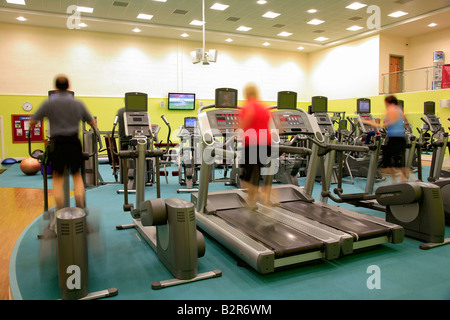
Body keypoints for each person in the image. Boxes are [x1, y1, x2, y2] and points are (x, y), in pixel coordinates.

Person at [30, 75, 97, 211]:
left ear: (55, 87)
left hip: (58, 142)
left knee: (58, 177)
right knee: (77, 175)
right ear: (68, 86)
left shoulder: (49, 103)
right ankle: (80, 207)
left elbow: (33, 121)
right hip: (73, 141)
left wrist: (31, 127)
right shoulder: (77, 103)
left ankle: (60, 210)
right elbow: (92, 122)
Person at [238, 83, 273, 208]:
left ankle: (255, 197)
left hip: (252, 142)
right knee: (257, 171)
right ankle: (261, 197)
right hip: (266, 141)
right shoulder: (263, 107)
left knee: (246, 175)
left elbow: (246, 121)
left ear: (246, 93)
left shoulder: (248, 106)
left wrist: (237, 129)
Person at [362, 95, 409, 182]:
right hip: (401, 137)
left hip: (394, 138)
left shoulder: (390, 110)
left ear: (388, 102)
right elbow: (405, 122)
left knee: (386, 161)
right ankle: (399, 180)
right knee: (397, 160)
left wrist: (367, 122)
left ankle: (398, 178)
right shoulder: (399, 109)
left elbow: (385, 124)